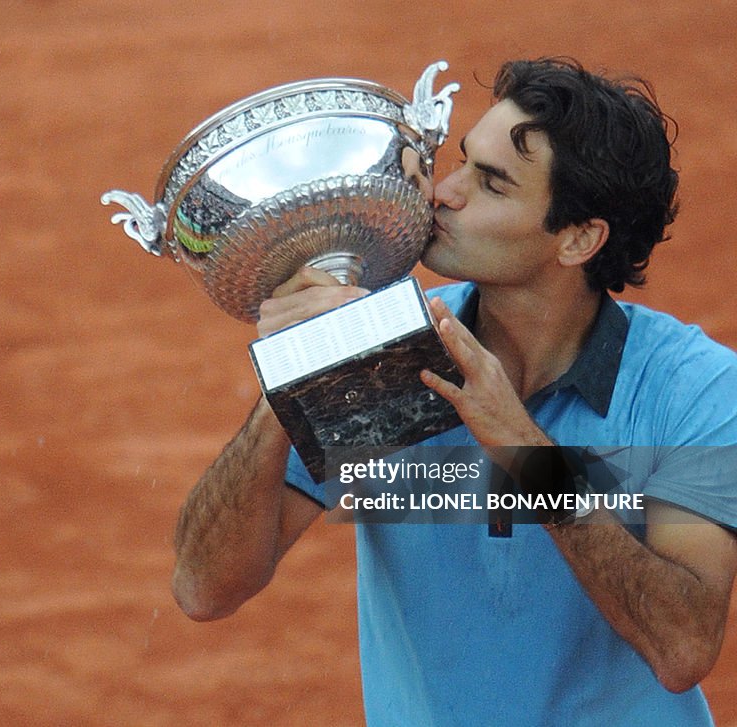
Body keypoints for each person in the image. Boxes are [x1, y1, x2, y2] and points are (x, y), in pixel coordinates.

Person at [171, 57, 737, 726]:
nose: (443, 192)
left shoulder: (694, 386)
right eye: (463, 160)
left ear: (580, 238)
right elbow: (204, 589)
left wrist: (524, 450)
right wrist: (290, 383)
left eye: (491, 184)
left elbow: (683, 646)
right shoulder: (385, 355)